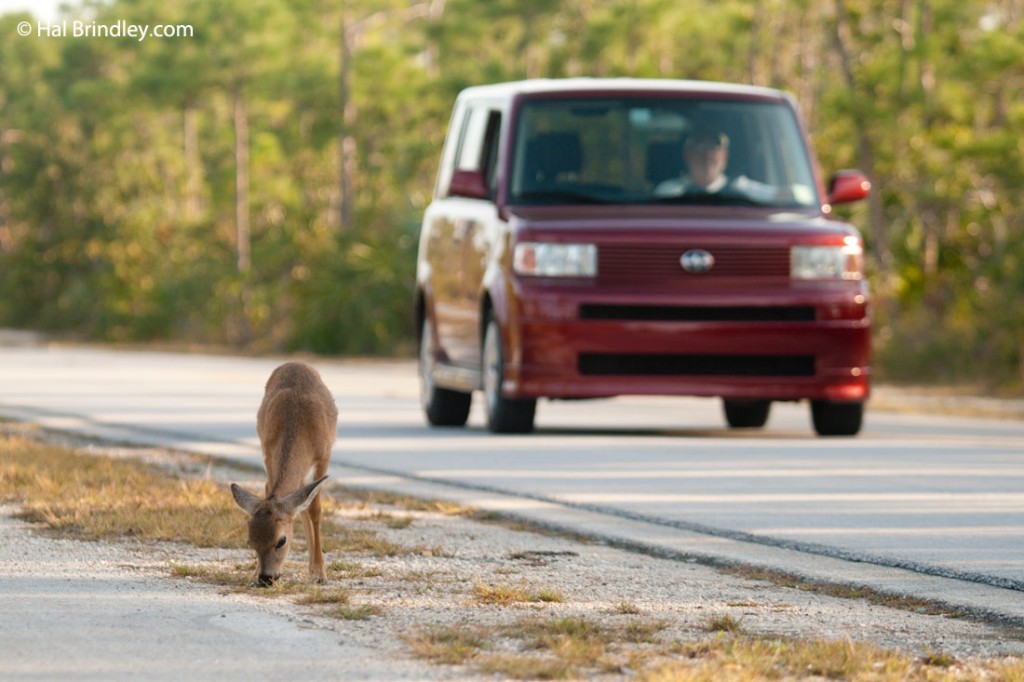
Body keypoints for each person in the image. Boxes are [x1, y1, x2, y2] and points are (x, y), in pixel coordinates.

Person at [653, 126, 777, 203]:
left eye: (713, 147)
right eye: (700, 147)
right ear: (688, 154)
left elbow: (778, 195)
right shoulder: (668, 192)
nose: (707, 155)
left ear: (725, 155)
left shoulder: (741, 189)